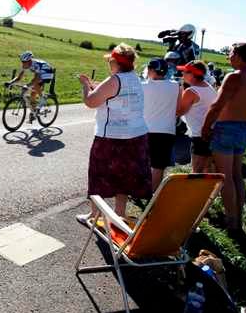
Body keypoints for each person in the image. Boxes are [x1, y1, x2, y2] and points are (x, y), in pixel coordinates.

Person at [77, 43, 151, 222]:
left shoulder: (114, 80)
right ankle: (119, 213)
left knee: (98, 175)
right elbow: (115, 94)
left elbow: (91, 102)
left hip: (111, 137)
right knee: (124, 176)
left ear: (115, 62)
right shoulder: (134, 78)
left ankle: (94, 215)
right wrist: (99, 87)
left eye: (110, 61)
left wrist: (86, 85)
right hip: (136, 135)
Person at [201, 43, 246, 231]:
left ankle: (231, 221)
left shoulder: (234, 77)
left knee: (226, 177)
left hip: (227, 128)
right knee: (237, 175)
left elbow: (217, 105)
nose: (228, 57)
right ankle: (238, 217)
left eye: (231, 53)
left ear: (239, 56)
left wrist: (205, 127)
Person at [141, 58, 181, 190]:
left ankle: (141, 190)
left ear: (152, 70)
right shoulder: (176, 86)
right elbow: (178, 109)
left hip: (144, 130)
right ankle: (152, 195)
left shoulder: (143, 86)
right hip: (167, 131)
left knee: (142, 162)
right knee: (158, 166)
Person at [176, 61, 218, 173]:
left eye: (184, 72)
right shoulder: (208, 87)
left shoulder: (191, 91)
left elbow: (179, 112)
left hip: (200, 135)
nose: (182, 75)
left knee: (196, 171)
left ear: (193, 74)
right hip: (211, 132)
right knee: (208, 170)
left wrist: (180, 91)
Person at [4, 51, 55, 122]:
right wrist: (10, 82)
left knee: (35, 84)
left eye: (24, 62)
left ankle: (42, 99)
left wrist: (27, 85)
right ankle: (34, 113)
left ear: (29, 61)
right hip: (39, 73)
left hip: (47, 72)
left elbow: (37, 79)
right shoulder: (25, 65)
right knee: (32, 94)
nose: (23, 64)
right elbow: (19, 78)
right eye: (22, 62)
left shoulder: (36, 65)